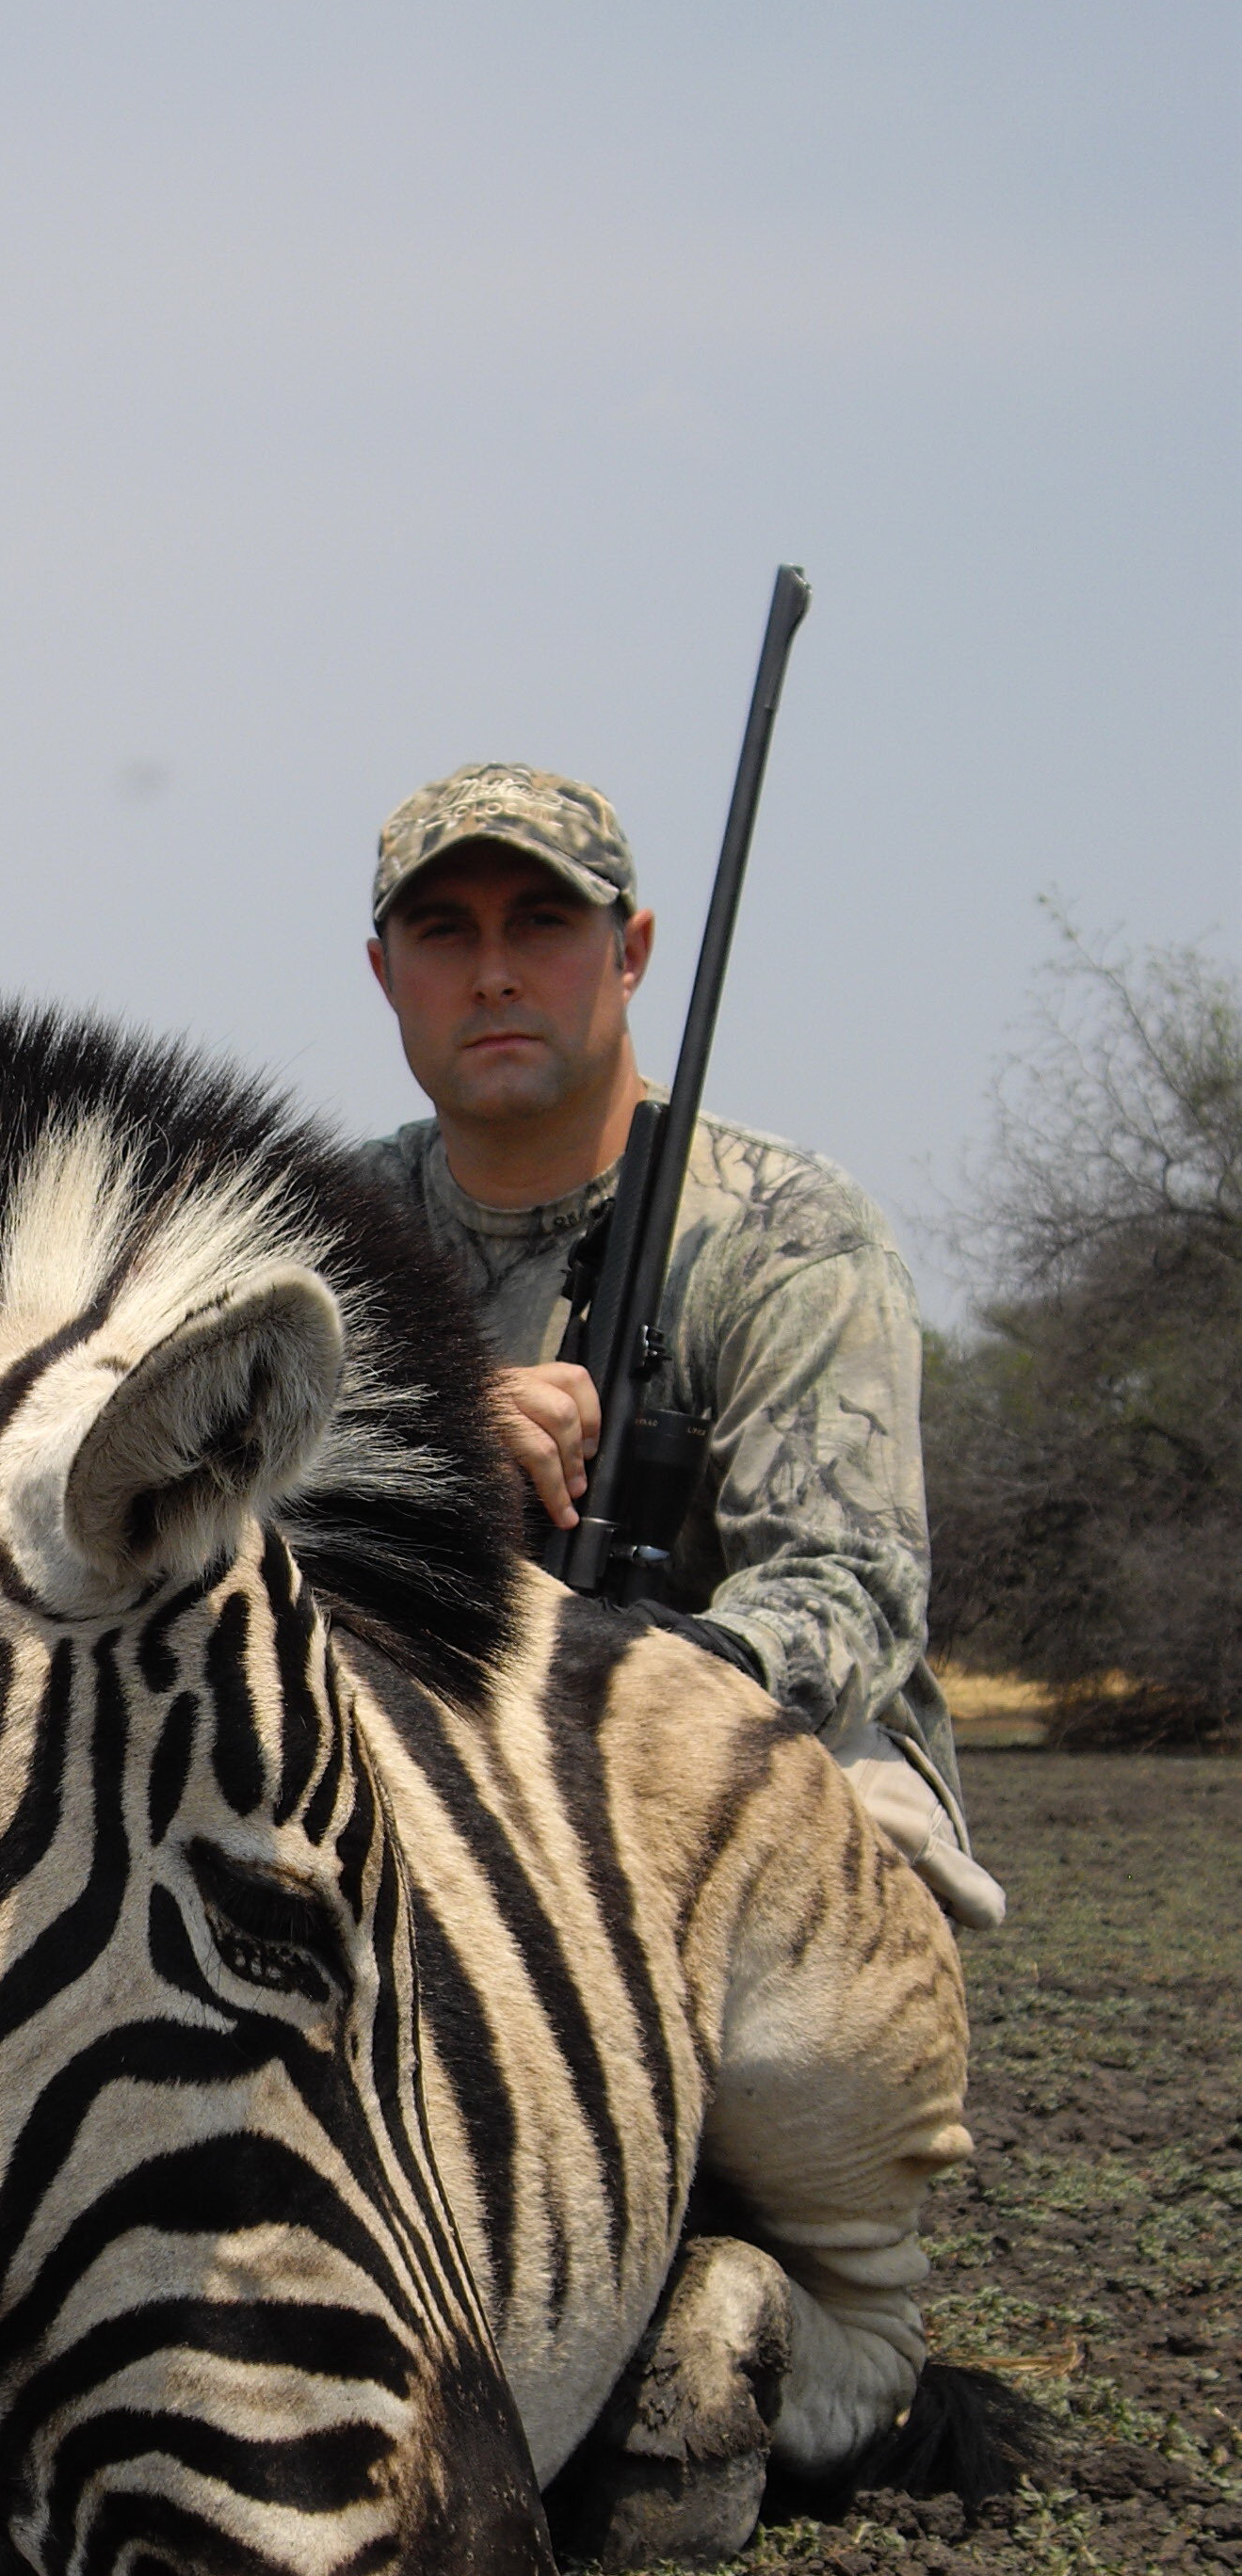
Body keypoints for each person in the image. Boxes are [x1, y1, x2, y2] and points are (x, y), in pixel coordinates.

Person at [359, 759, 1003, 1929]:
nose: (494, 975)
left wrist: (620, 1680)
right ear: (384, 974)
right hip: (412, 1730)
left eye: (543, 924)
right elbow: (193, 1486)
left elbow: (848, 1588)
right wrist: (437, 1426)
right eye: (445, 934)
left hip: (717, 1742)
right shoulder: (325, 1232)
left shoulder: (791, 1231)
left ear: (631, 952)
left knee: (860, 1853)